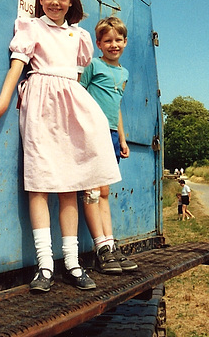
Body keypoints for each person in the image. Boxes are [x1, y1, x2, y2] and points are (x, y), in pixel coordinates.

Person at [0, 0, 121, 293]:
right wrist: (2, 104)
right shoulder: (31, 28)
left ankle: (71, 263)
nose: (55, 3)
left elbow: (80, 78)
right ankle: (44, 266)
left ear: (71, 2)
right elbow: (18, 65)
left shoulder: (80, 37)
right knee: (39, 184)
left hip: (72, 108)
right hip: (40, 106)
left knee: (70, 187)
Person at [80, 16, 137, 273]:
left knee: (104, 192)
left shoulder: (123, 73)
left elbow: (117, 107)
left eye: (118, 40)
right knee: (91, 191)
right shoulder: (93, 66)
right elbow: (77, 95)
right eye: (108, 41)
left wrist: (122, 139)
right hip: (92, 133)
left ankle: (110, 245)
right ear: (99, 44)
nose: (114, 44)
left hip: (112, 135)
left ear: (125, 42)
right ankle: (100, 247)